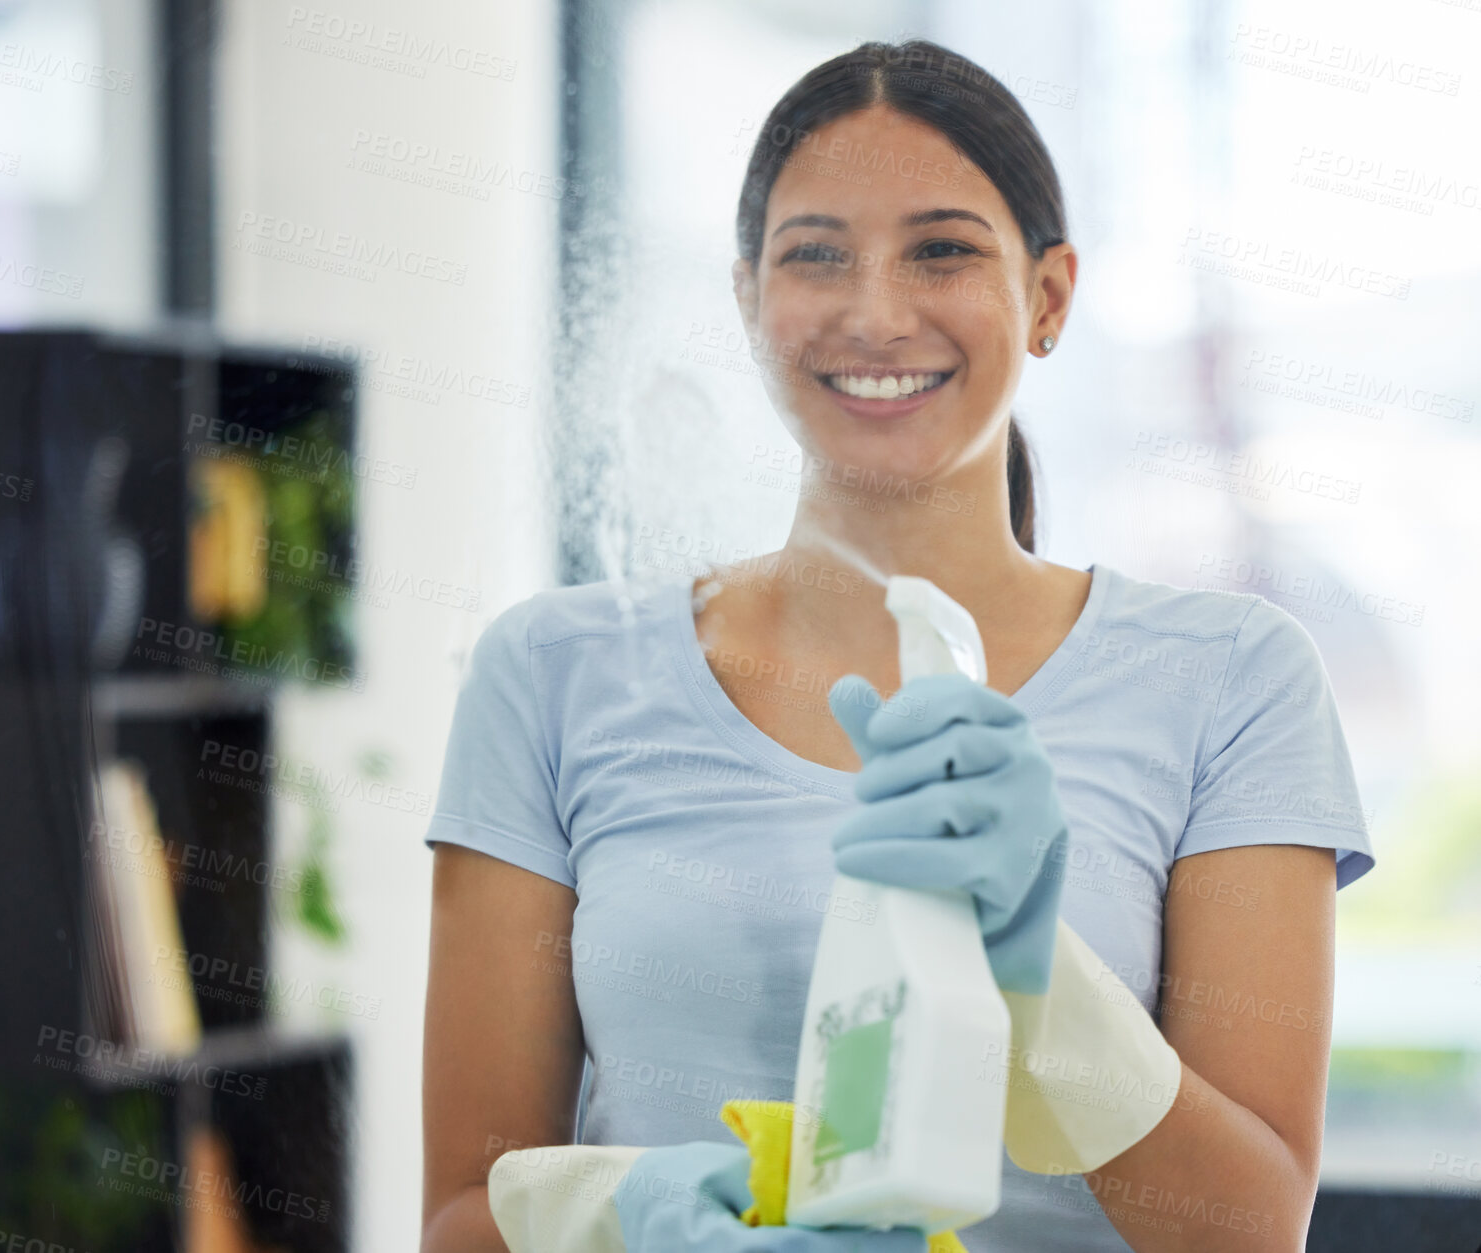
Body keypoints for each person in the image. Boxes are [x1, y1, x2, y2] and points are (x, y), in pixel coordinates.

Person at [419, 38, 1375, 1253]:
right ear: (748, 299)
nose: (875, 312)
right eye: (814, 254)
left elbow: (1249, 1231)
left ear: (1048, 297)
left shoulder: (1233, 678)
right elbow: (456, 1219)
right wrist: (626, 1217)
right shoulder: (551, 672)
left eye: (943, 249)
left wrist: (1043, 977)